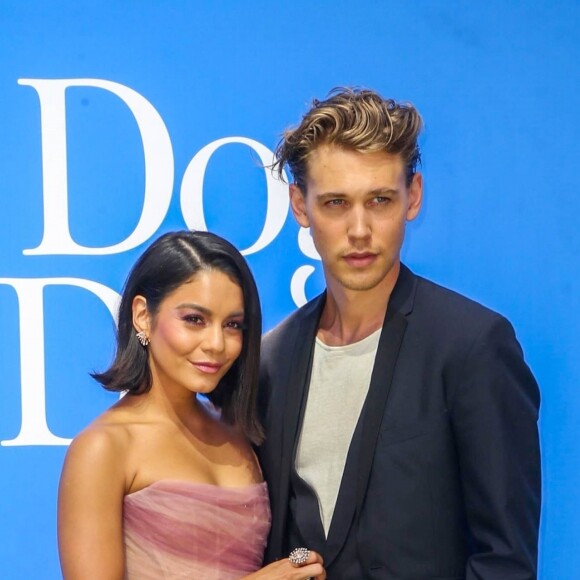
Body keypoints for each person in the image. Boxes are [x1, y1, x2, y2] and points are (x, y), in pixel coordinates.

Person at [258, 88, 541, 579]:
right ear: (300, 207)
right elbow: (283, 540)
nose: (360, 229)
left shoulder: (472, 345)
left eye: (380, 200)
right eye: (336, 203)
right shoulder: (271, 360)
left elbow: (505, 562)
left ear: (413, 197)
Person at [58, 230, 325, 579]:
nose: (216, 343)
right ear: (142, 316)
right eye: (194, 320)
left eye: (233, 325)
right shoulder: (103, 449)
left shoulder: (238, 431)